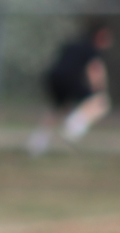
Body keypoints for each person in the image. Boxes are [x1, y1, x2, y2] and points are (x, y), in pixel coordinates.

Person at [27, 23, 113, 156]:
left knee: (58, 109)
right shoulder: (92, 49)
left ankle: (36, 144)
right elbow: (95, 71)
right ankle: (73, 127)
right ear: (100, 35)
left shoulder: (73, 44)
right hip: (69, 78)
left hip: (53, 77)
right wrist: (98, 91)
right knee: (102, 103)